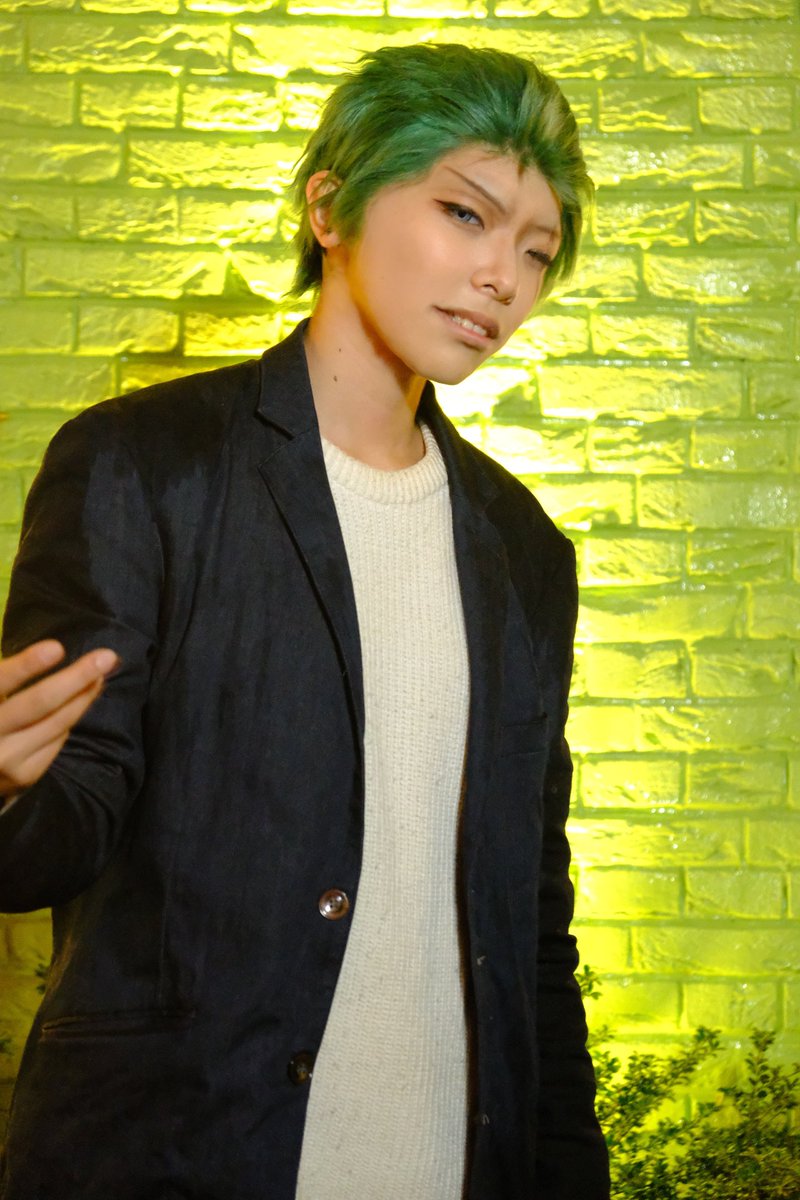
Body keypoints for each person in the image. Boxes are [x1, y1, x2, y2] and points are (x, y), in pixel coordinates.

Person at [0, 42, 609, 1200]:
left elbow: (532, 917)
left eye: (536, 250)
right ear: (329, 207)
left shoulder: (524, 549)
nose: (502, 277)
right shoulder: (145, 464)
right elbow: (59, 837)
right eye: (464, 214)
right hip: (183, 1153)